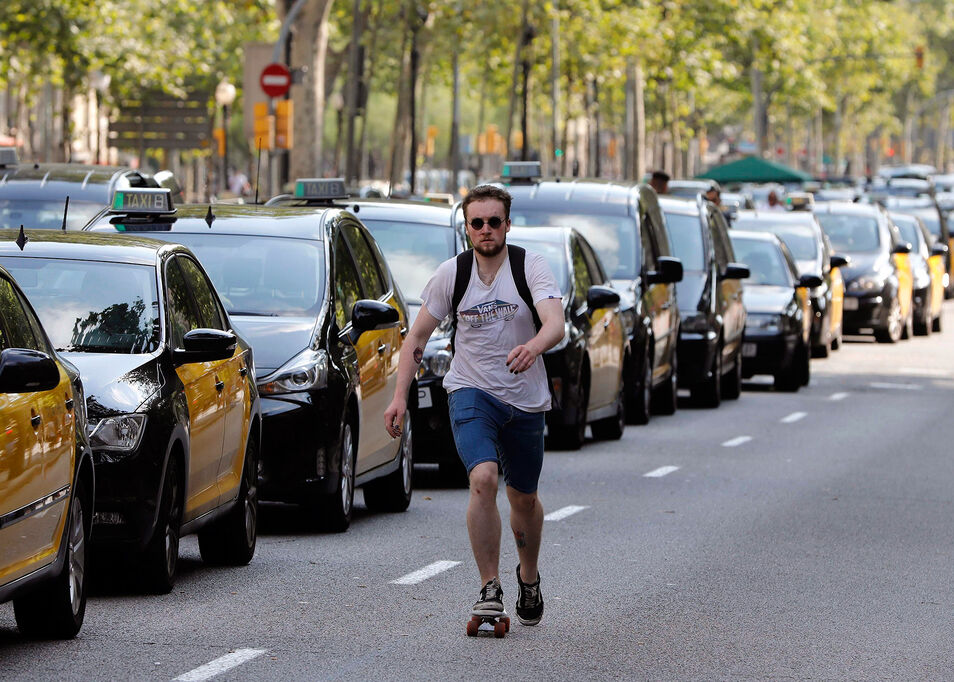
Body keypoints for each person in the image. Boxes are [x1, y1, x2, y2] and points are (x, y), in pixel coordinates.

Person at [383, 184, 564, 626]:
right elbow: (416, 340)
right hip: (470, 391)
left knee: (523, 497)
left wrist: (534, 347)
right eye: (477, 223)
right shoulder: (453, 273)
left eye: (494, 222)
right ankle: (489, 586)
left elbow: (555, 323)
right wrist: (399, 397)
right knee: (483, 477)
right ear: (466, 227)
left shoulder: (529, 266)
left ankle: (529, 575)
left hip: (524, 399)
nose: (486, 230)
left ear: (507, 224)